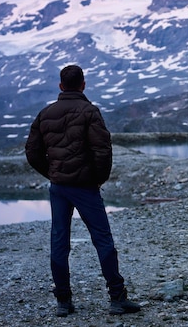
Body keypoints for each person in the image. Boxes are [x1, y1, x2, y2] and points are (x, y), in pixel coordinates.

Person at [25, 65, 141, 317]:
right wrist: (97, 180)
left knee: (59, 241)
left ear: (60, 86)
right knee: (103, 240)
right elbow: (103, 150)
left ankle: (63, 302)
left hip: (59, 188)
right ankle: (117, 298)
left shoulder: (45, 113)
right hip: (85, 187)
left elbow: (32, 152)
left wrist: (54, 174)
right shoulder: (90, 111)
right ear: (83, 85)